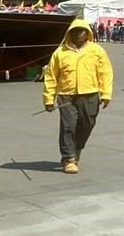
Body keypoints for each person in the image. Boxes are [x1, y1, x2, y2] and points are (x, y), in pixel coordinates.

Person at [42, 20, 113, 174]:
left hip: (90, 94)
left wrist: (106, 93)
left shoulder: (97, 50)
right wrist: (48, 98)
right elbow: (51, 76)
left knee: (88, 124)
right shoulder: (60, 53)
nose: (79, 33)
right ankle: (68, 159)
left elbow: (105, 73)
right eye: (75, 31)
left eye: (82, 30)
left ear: (87, 33)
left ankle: (76, 150)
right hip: (66, 96)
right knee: (68, 126)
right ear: (70, 33)